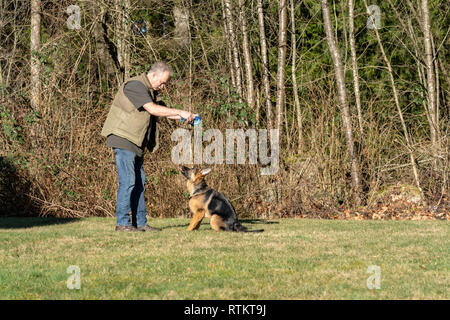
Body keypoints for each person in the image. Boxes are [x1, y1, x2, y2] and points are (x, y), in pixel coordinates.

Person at [101, 62, 197, 232]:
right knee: (128, 181)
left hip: (136, 142)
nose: (163, 86)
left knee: (140, 183)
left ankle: (140, 223)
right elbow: (152, 109)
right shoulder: (135, 86)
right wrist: (180, 113)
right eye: (162, 82)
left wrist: (186, 116)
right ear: (153, 75)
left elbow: (164, 111)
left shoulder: (150, 92)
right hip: (123, 138)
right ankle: (122, 223)